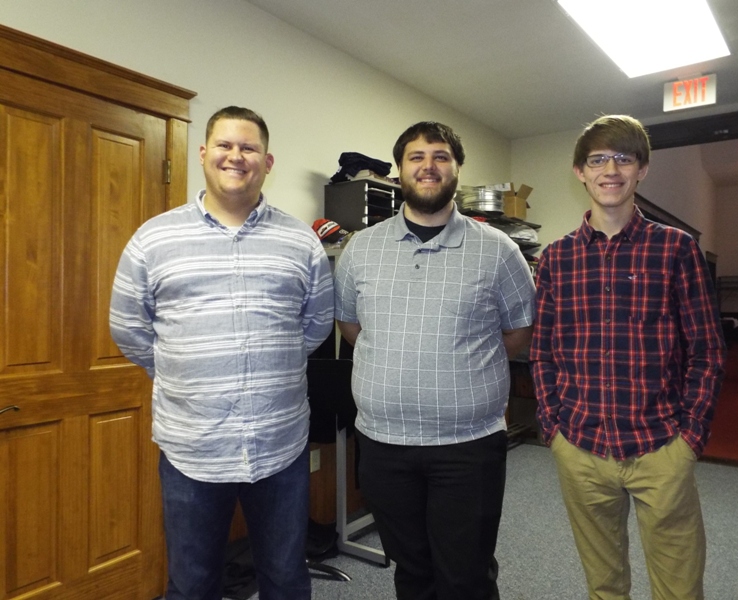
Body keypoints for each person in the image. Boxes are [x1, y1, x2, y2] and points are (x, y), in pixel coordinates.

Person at [109, 106, 333, 600]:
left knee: (287, 580)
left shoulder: (301, 241)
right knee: (192, 584)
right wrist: (183, 370)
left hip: (280, 444)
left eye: (249, 148)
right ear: (204, 153)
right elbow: (128, 328)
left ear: (267, 162)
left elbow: (316, 322)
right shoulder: (154, 238)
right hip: (193, 448)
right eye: (225, 145)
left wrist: (272, 361)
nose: (237, 156)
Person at [334, 121, 536, 600]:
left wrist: (460, 366)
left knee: (466, 576)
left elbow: (517, 332)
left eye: (441, 156)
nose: (429, 166)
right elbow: (351, 325)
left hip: (467, 446)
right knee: (412, 571)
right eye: (417, 157)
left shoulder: (498, 250)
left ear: (457, 168)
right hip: (384, 444)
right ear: (400, 170)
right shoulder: (361, 248)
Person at [530, 114, 726, 600]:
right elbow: (543, 352)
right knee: (604, 586)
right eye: (598, 159)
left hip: (661, 447)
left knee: (679, 589)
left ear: (642, 169)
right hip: (580, 446)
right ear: (580, 171)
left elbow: (706, 350)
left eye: (623, 158)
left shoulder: (676, 249)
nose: (610, 170)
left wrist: (689, 438)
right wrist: (553, 428)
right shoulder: (556, 258)